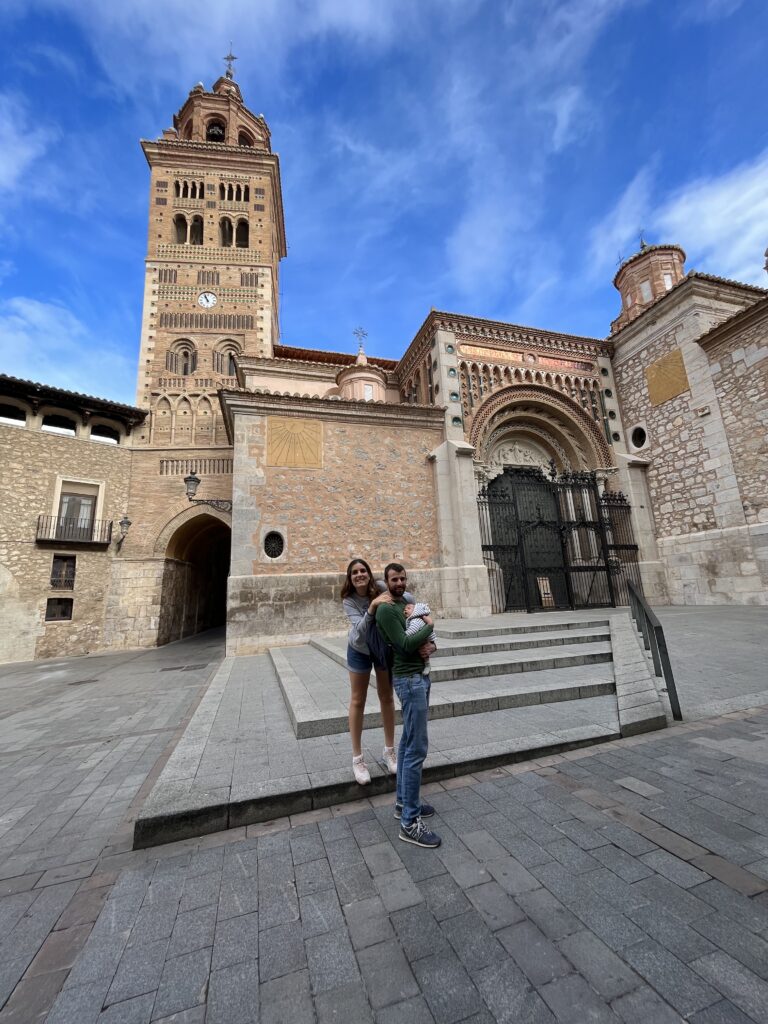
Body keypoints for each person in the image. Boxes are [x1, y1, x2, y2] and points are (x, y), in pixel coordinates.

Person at [375, 563, 442, 849]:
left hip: (419, 676)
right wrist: (430, 625)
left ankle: (404, 804)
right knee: (416, 748)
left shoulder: (407, 603)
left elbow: (422, 640)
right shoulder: (387, 610)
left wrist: (432, 644)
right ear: (386, 581)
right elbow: (403, 644)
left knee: (407, 744)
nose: (399, 582)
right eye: (394, 579)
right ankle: (410, 823)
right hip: (409, 680)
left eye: (402, 578)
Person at [341, 557, 402, 785]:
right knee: (358, 700)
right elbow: (358, 632)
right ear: (350, 578)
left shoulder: (382, 587)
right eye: (355, 572)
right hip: (359, 650)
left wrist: (414, 608)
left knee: (387, 696)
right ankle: (357, 759)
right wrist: (373, 607)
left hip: (382, 648)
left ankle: (389, 751)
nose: (359, 575)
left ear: (369, 573)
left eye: (363, 571)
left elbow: (404, 596)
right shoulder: (349, 600)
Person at [403, 601, 437, 675]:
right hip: (422, 638)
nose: (405, 610)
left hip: (424, 639)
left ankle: (427, 665)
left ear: (415, 611)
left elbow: (413, 630)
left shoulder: (415, 620)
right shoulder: (415, 619)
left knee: (423, 652)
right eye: (404, 609)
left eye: (408, 608)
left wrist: (404, 635)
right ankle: (427, 664)